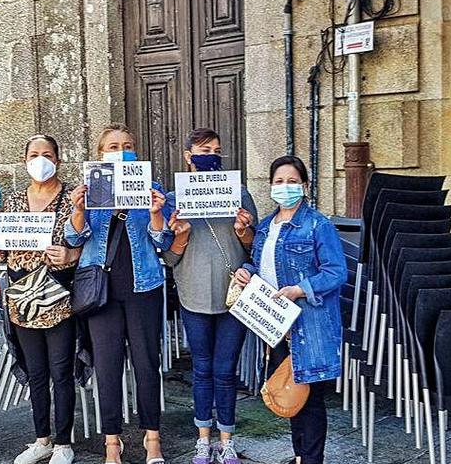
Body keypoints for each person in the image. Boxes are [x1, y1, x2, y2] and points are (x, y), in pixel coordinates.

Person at [65, 123, 173, 464]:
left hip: (144, 287)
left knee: (146, 363)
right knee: (107, 366)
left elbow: (163, 242)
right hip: (101, 291)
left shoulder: (152, 189)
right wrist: (79, 210)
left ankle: (152, 439)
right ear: (100, 155)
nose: (120, 151)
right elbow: (73, 240)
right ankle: (112, 442)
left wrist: (156, 214)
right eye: (112, 146)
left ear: (136, 153)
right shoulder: (89, 191)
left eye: (127, 145)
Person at [234, 156, 347, 464]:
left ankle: (311, 459)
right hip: (276, 324)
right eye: (279, 181)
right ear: (271, 186)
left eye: (292, 181)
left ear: (304, 186)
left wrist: (300, 289)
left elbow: (337, 272)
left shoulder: (317, 224)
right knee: (292, 394)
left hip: (308, 325)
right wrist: (247, 272)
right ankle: (300, 456)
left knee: (309, 400)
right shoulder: (267, 226)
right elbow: (263, 267)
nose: (285, 187)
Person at [0, 135, 82, 464]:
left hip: (58, 293)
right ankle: (42, 439)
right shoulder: (12, 201)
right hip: (21, 296)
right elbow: (1, 253)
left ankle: (64, 443)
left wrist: (69, 252)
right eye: (34, 155)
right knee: (36, 371)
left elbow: (83, 245)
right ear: (24, 161)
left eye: (47, 154)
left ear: (59, 160)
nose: (41, 160)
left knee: (61, 370)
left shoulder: (71, 198)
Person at [162, 128, 257, 464]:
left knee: (225, 369)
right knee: (201, 369)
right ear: (188, 156)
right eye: (204, 149)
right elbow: (168, 258)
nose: (212, 155)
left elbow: (253, 249)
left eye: (217, 149)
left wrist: (243, 232)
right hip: (193, 296)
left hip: (234, 297)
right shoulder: (174, 201)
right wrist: (181, 236)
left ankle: (227, 439)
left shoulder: (239, 193)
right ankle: (203, 438)